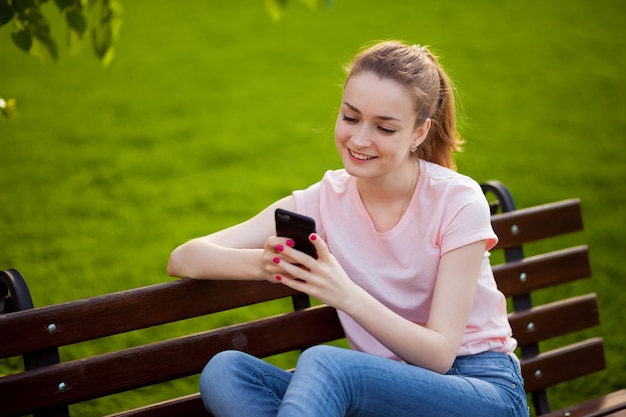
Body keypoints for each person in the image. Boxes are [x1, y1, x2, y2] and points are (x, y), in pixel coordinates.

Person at [167, 40, 529, 417]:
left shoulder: (456, 200)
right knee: (227, 372)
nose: (359, 140)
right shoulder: (324, 199)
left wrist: (343, 292)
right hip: (380, 392)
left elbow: (438, 354)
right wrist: (267, 264)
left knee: (327, 364)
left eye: (385, 128)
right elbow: (185, 258)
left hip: (480, 391)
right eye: (351, 118)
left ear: (419, 133)